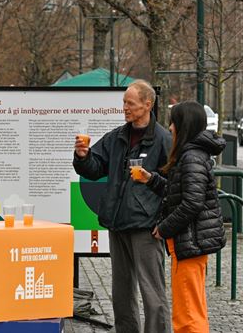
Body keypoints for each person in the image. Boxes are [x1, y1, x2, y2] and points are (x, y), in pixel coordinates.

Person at [73, 80, 172, 333]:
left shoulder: (163, 140)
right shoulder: (117, 136)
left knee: (152, 292)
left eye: (130, 103)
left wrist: (162, 222)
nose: (125, 108)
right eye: (124, 103)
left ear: (147, 105)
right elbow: (95, 169)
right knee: (121, 291)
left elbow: (173, 185)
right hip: (117, 223)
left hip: (146, 226)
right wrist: (83, 157)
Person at [133, 101, 226, 333]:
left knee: (187, 314)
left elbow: (192, 203)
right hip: (189, 243)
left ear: (184, 125)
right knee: (192, 307)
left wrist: (164, 228)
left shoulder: (191, 157)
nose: (170, 127)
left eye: (174, 122)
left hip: (190, 242)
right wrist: (151, 179)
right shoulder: (191, 154)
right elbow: (180, 192)